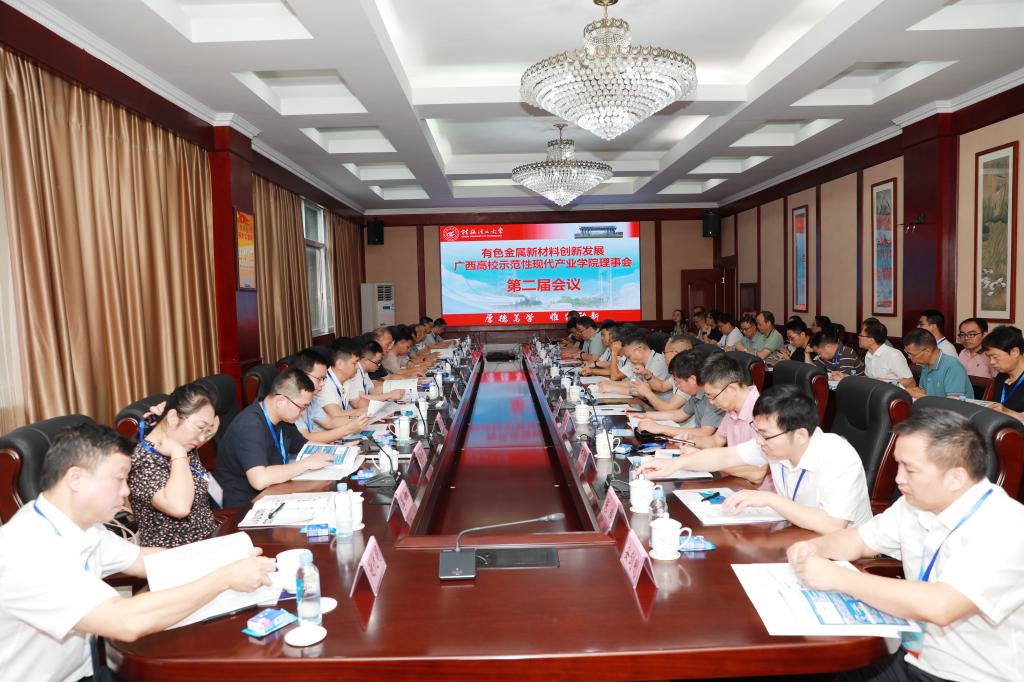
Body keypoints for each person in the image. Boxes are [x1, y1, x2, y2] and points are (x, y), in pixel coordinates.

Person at [0, 424, 276, 681]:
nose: (126, 491)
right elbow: (125, 621)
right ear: (76, 478)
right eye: (120, 479)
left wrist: (228, 556)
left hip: (90, 668)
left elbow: (147, 560)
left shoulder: (82, 525)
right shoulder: (26, 549)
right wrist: (224, 578)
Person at [787, 408, 1024, 682]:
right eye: (898, 465)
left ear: (956, 477)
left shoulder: (1007, 526)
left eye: (910, 469)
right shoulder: (915, 505)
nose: (898, 478)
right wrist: (815, 547)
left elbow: (941, 605)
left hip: (967, 674)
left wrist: (838, 578)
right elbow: (860, 540)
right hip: (909, 651)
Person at [642, 385, 872, 533]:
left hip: (843, 553)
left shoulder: (839, 457)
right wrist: (674, 465)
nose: (759, 441)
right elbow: (725, 455)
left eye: (766, 435)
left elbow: (832, 524)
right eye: (757, 432)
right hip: (796, 534)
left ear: (801, 435)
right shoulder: (773, 443)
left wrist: (770, 499)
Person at [215, 369, 334, 508]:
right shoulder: (249, 425)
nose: (303, 413)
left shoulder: (283, 419)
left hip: (274, 492)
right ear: (280, 401)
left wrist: (343, 450)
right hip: (245, 506)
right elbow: (259, 480)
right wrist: (306, 464)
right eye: (302, 407)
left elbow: (305, 445)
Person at [129, 382, 220, 548]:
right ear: (172, 418)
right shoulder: (142, 460)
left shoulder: (185, 441)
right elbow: (180, 508)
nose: (202, 438)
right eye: (200, 427)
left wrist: (204, 427)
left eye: (206, 430)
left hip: (209, 540)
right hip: (175, 553)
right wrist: (178, 453)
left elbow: (215, 424)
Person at [635, 351, 726, 440]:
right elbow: (680, 414)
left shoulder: (713, 397)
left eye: (678, 382)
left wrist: (659, 428)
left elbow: (704, 433)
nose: (677, 386)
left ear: (692, 380)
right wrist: (645, 415)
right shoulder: (697, 392)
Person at [292, 348, 371, 442]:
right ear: (302, 375)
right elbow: (305, 438)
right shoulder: (291, 401)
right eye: (319, 379)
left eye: (323, 379)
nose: (322, 384)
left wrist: (360, 419)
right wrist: (347, 429)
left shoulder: (311, 399)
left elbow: (330, 422)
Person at [598, 330, 673, 401]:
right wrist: (609, 383)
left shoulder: (658, 362)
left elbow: (642, 393)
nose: (629, 360)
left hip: (660, 406)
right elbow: (633, 383)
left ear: (639, 349)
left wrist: (612, 388)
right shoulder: (640, 363)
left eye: (629, 356)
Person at [903, 328, 972, 399]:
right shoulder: (925, 365)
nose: (909, 357)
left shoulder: (953, 366)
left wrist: (921, 396)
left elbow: (954, 402)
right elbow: (923, 392)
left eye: (912, 354)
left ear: (927, 351)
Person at [347, 340, 405, 410]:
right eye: (377, 362)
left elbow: (373, 390)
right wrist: (389, 395)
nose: (379, 365)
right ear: (365, 360)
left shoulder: (365, 372)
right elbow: (361, 398)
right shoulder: (356, 372)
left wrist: (398, 388)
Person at [982, 325, 1024, 421]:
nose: (991, 362)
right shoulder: (1001, 376)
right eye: (989, 357)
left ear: (1015, 352)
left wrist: (1007, 411)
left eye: (995, 357)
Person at [858, 318, 913, 385]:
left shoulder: (893, 355)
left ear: (871, 340)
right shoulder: (868, 354)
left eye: (861, 335)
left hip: (891, 391)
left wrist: (888, 384)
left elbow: (910, 382)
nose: (859, 337)